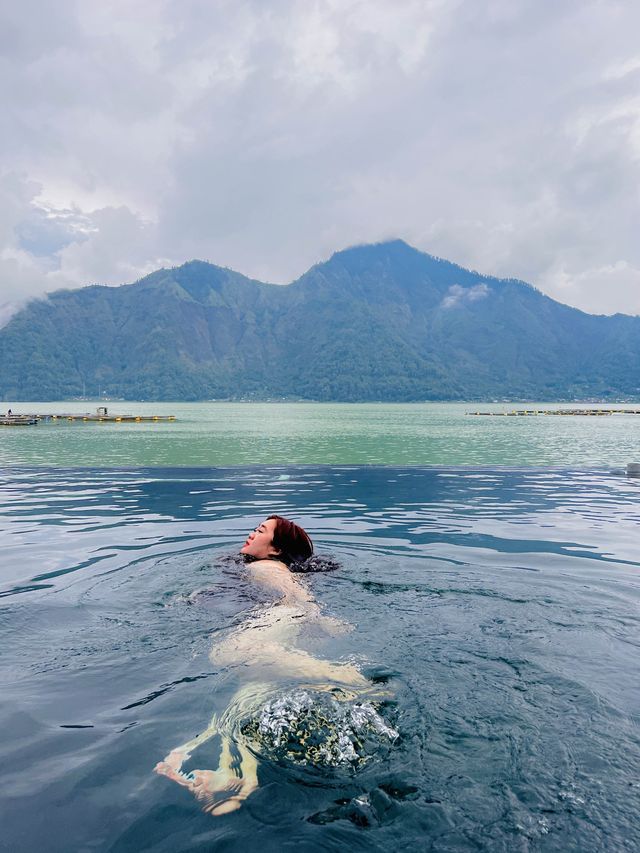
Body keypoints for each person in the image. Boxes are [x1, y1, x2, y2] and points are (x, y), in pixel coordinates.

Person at [154, 516, 370, 816]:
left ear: (276, 550)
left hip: (278, 620)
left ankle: (343, 677)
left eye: (260, 531)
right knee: (254, 687)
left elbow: (292, 597)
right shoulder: (266, 567)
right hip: (282, 625)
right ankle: (236, 771)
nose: (251, 533)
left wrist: (312, 613)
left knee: (232, 651)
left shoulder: (265, 567)